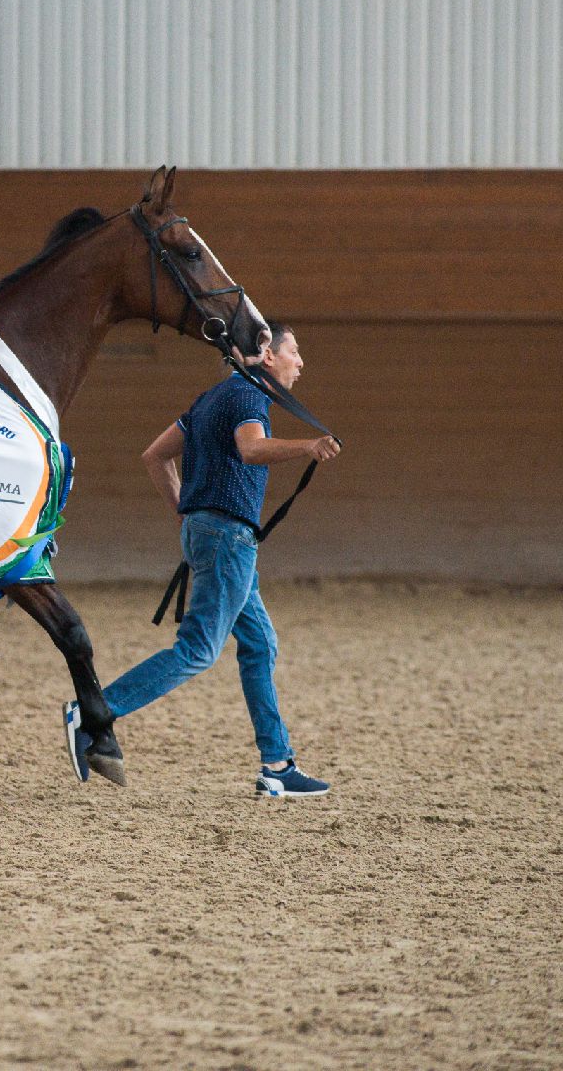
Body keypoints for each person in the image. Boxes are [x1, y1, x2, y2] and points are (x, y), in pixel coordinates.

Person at [97, 323, 341, 797]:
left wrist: (190, 517)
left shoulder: (211, 398)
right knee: (199, 650)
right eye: (295, 352)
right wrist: (308, 446)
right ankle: (97, 709)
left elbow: (155, 456)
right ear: (267, 355)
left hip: (215, 535)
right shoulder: (249, 396)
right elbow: (250, 450)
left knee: (260, 643)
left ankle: (277, 765)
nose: (301, 363)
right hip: (229, 538)